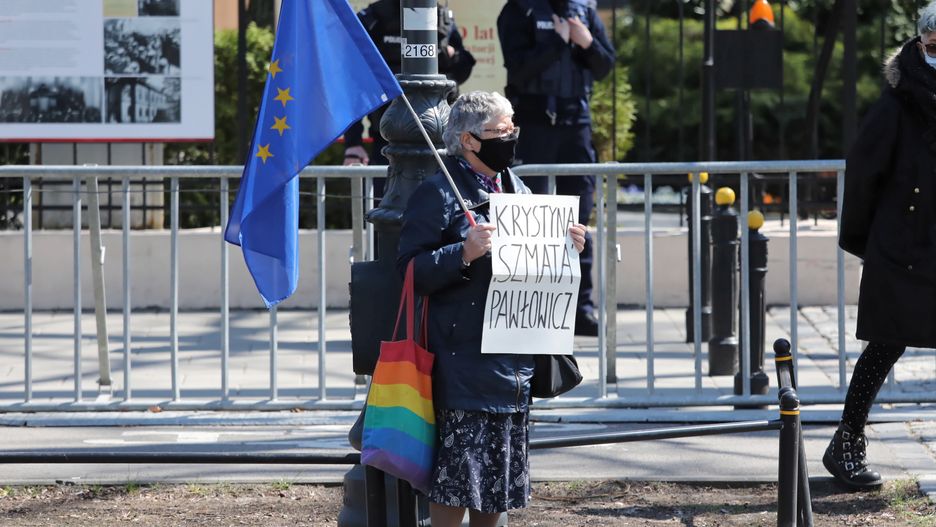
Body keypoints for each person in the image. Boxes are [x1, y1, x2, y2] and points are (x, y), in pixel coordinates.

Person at [396, 91, 586, 527]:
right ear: (468, 140)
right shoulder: (437, 192)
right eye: (501, 130)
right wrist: (462, 253)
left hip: (512, 364)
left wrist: (569, 245)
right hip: (463, 364)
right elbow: (408, 270)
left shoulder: (518, 189)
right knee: (456, 481)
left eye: (512, 127)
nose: (511, 137)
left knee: (497, 483)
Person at [827, 2, 936, 491]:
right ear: (922, 42)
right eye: (934, 43)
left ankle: (846, 441)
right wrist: (870, 241)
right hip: (904, 244)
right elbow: (863, 173)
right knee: (887, 343)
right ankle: (847, 442)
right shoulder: (898, 102)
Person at [497, 0, 615, 336]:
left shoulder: (584, 10)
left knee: (579, 219)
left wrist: (586, 42)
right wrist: (557, 43)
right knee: (528, 220)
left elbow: (605, 65)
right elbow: (518, 71)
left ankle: (581, 309)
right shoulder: (520, 9)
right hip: (534, 125)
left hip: (576, 125)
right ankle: (527, 308)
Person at [343, 0, 476, 185]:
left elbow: (461, 71)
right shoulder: (374, 18)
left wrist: (451, 56)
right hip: (388, 140)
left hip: (440, 139)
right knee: (387, 200)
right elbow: (353, 82)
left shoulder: (441, 17)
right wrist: (353, 143)